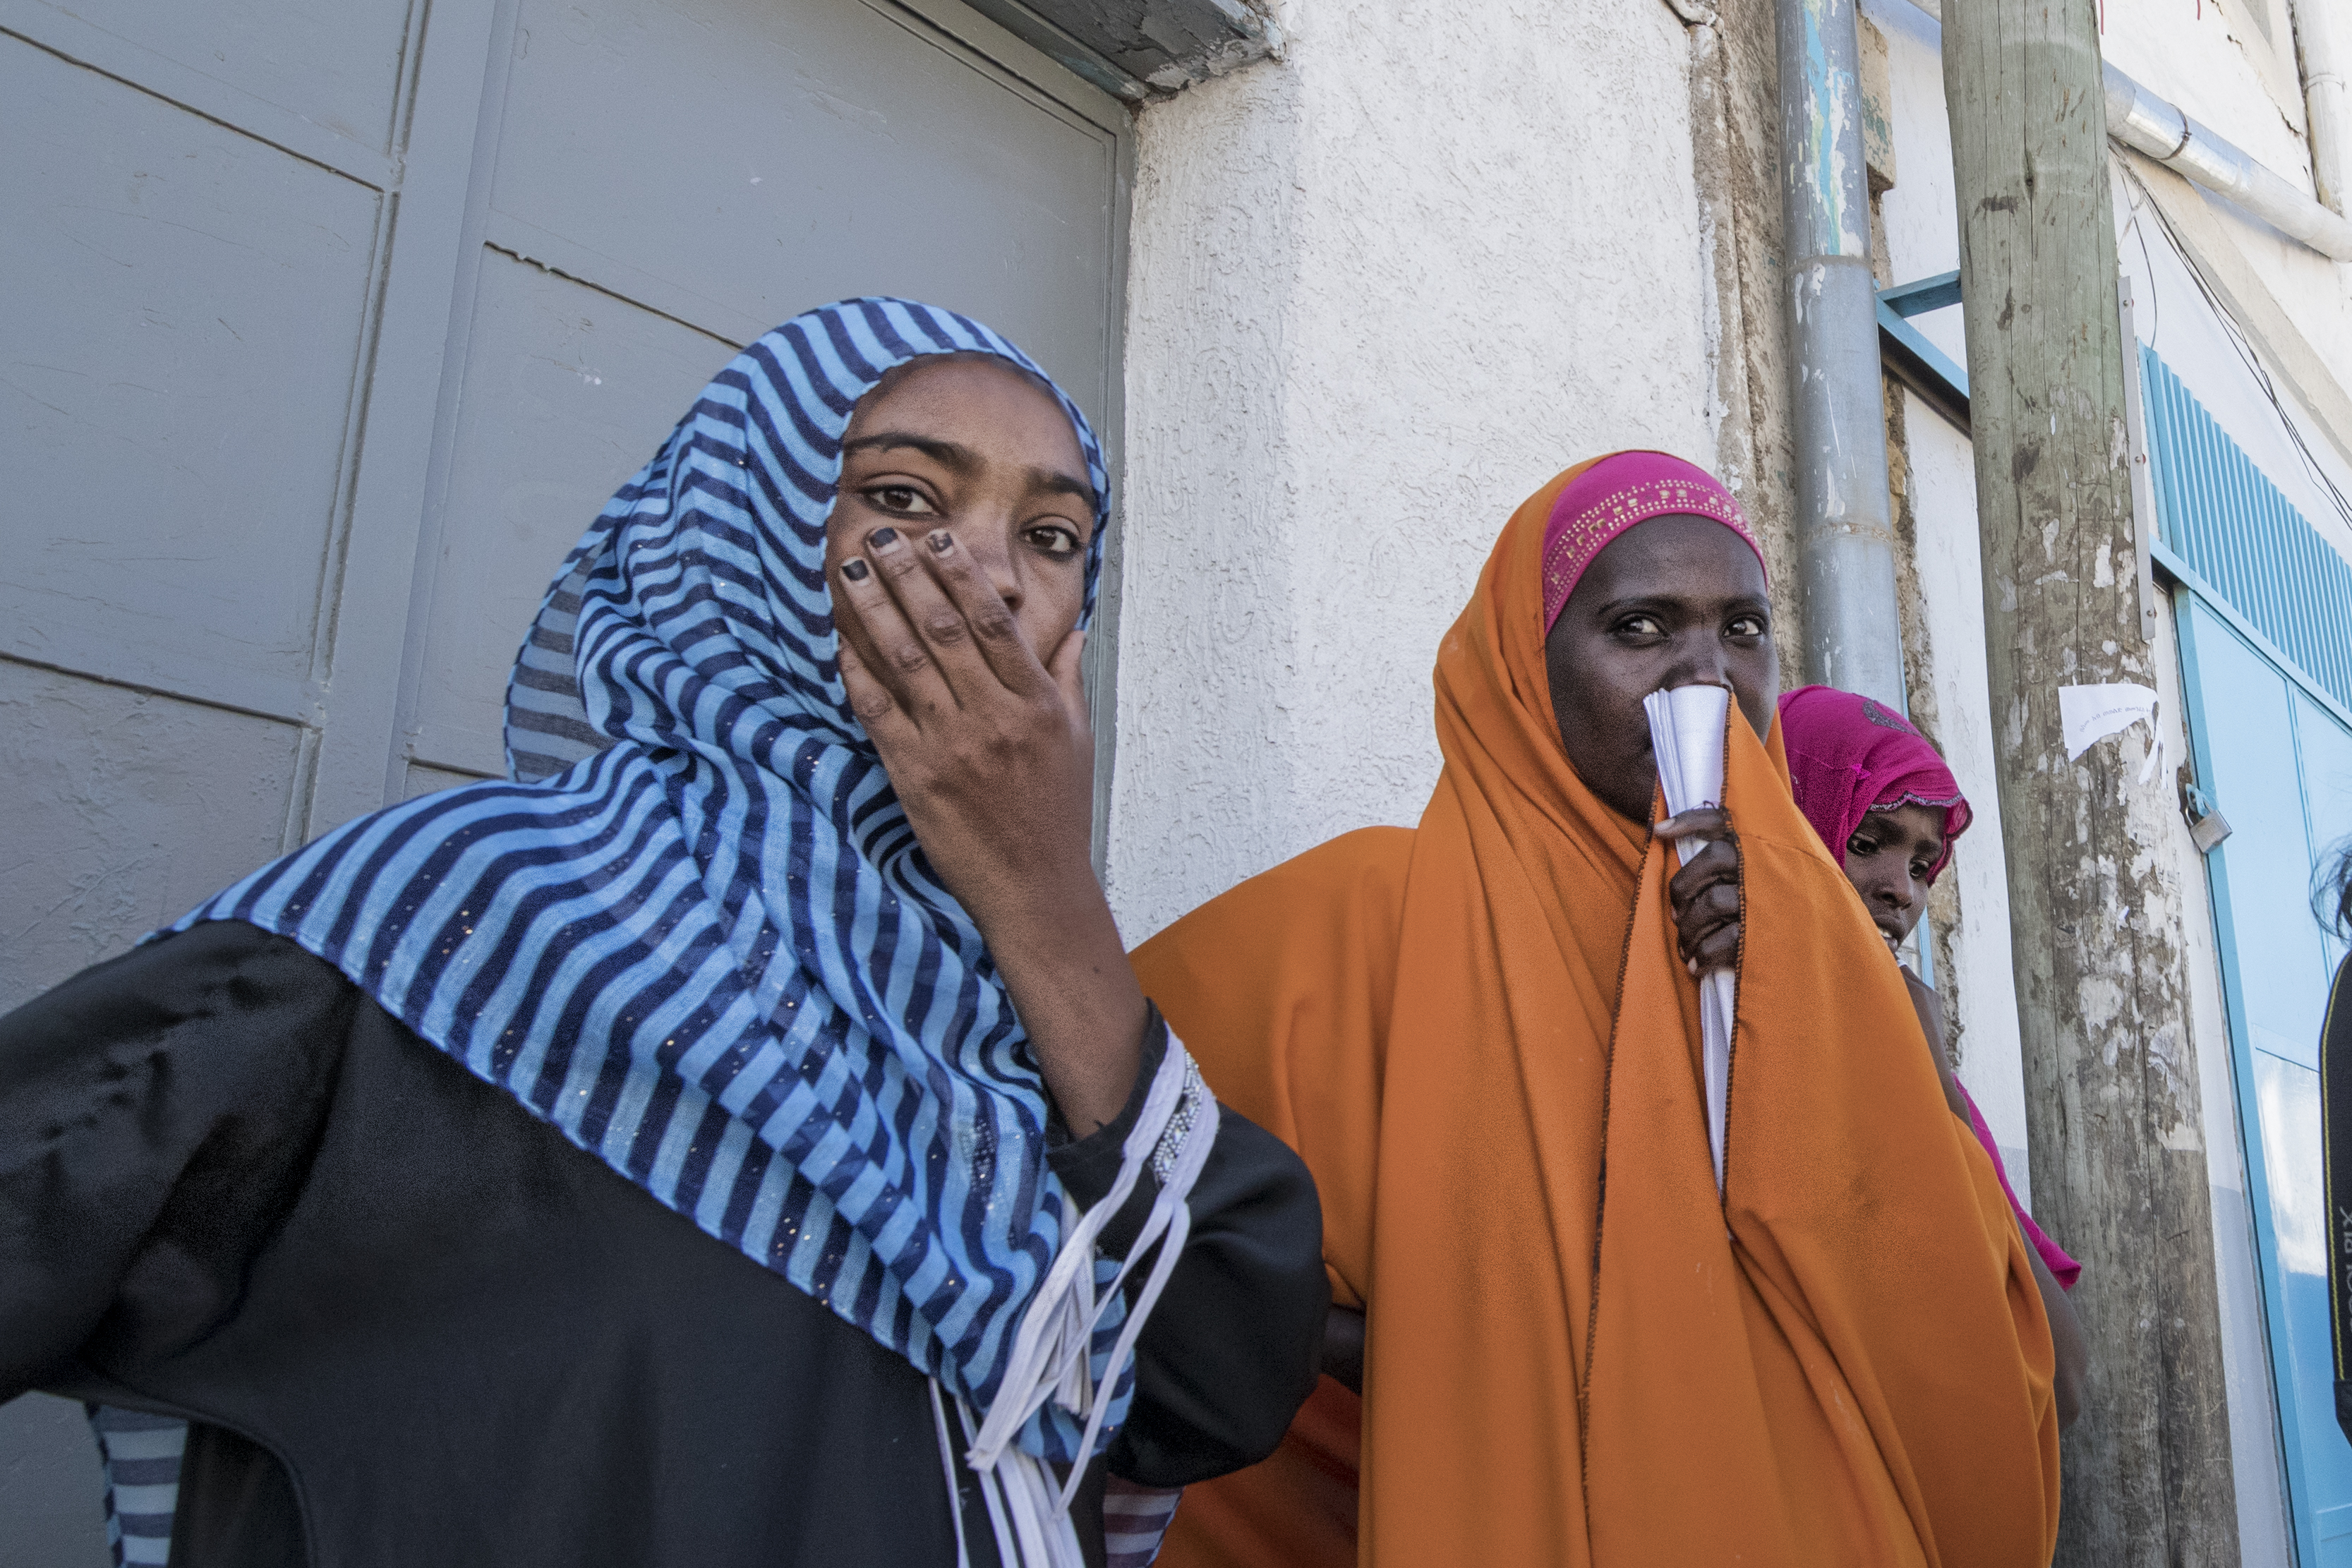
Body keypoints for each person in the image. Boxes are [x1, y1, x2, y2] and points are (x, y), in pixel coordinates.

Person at [0, 298, 1326, 1568]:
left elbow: (1213, 1384)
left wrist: (1041, 890)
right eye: (904, 499)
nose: (986, 579)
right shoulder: (463, 924)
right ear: (736, 530)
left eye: (1051, 535)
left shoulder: (1013, 1026)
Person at [1133, 451, 2062, 1567]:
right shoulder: (1357, 925)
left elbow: (1980, 1358)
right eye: (1639, 628)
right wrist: (1406, 1355)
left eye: (1743, 629)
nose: (1705, 679)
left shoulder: (1814, 969)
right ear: (1525, 668)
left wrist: (1816, 1014)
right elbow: (1102, 1218)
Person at [1776, 684, 2087, 1430]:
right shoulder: (1722, 1042)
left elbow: (2060, 1381)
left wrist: (1935, 1088)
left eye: (1922, 865)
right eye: (1865, 840)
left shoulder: (1911, 1056)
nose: (1901, 893)